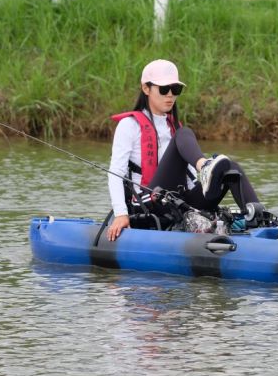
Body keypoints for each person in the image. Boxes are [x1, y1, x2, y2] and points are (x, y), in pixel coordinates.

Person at [106, 59, 261, 241]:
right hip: (147, 203)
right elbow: (115, 173)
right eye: (164, 89)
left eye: (175, 89)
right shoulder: (129, 126)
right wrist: (120, 214)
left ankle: (260, 219)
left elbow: (188, 178)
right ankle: (205, 166)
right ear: (146, 89)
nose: (170, 95)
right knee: (183, 133)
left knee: (230, 169)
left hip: (176, 203)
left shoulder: (174, 128)